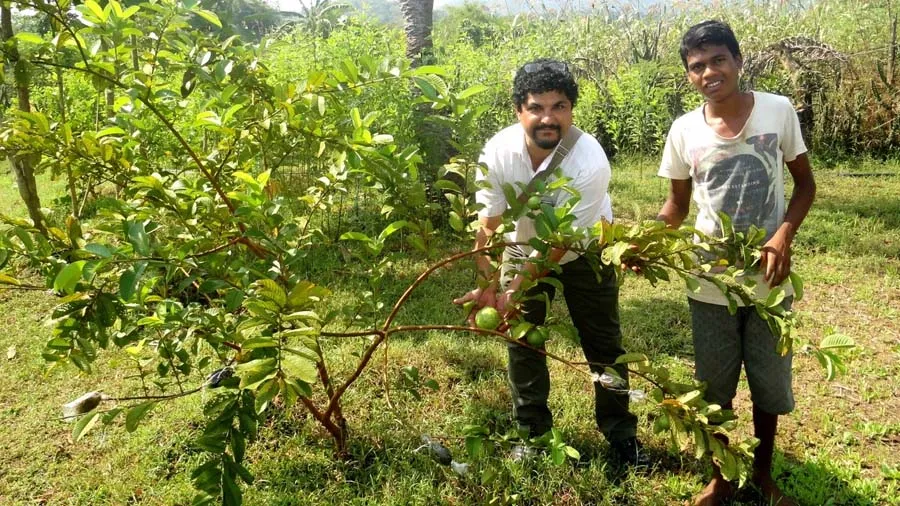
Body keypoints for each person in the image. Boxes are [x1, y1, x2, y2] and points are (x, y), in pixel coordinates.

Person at [453, 58, 646, 466]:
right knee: (522, 340)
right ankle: (532, 432)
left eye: (559, 106)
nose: (548, 118)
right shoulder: (499, 152)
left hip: (583, 251)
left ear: (572, 110)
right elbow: (488, 222)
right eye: (537, 107)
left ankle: (621, 435)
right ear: (518, 110)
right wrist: (488, 280)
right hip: (521, 245)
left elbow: (561, 243)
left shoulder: (589, 162)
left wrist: (513, 290)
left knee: (603, 345)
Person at [656, 21, 816, 506]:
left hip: (769, 279)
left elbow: (805, 185)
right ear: (689, 76)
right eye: (696, 66)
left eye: (718, 60)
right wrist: (640, 242)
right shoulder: (684, 130)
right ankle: (722, 478)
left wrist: (783, 234)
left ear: (738, 61)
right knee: (714, 388)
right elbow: (677, 206)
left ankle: (764, 475)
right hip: (710, 283)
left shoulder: (777, 111)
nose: (709, 72)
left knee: (769, 385)